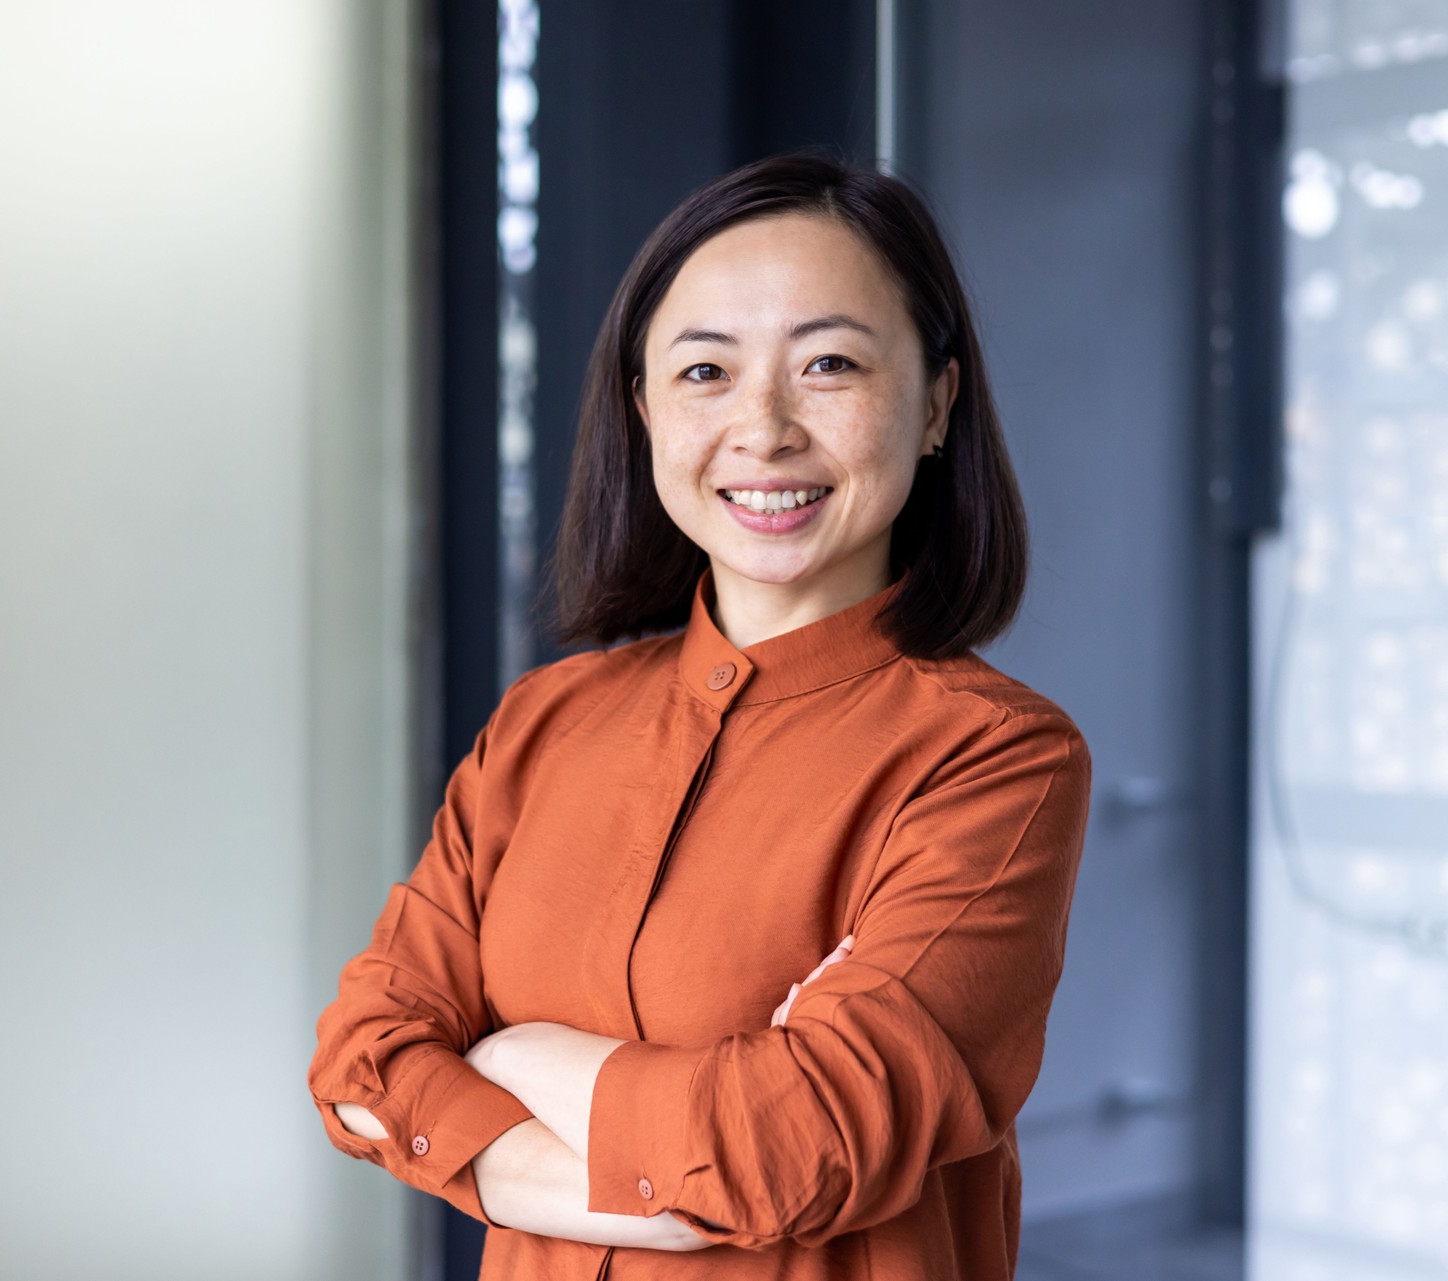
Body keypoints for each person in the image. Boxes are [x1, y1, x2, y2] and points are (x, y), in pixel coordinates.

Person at [307, 150, 1093, 1280]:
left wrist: (511, 1055)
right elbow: (362, 1063)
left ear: (936, 405)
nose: (763, 428)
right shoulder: (542, 724)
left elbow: (800, 1146)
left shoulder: (993, 761)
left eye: (828, 364)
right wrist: (664, 1180)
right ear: (643, 411)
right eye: (704, 372)